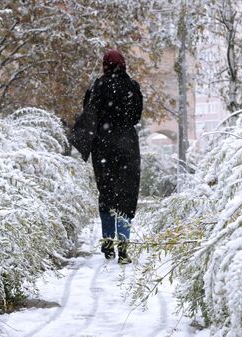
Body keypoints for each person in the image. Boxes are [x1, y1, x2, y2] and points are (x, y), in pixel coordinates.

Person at [70, 49, 143, 264]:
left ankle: (108, 244)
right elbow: (136, 116)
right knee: (126, 195)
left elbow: (88, 112)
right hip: (127, 146)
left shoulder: (97, 86)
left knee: (107, 194)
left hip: (102, 146)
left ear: (105, 65)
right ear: (124, 65)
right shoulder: (132, 87)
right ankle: (123, 247)